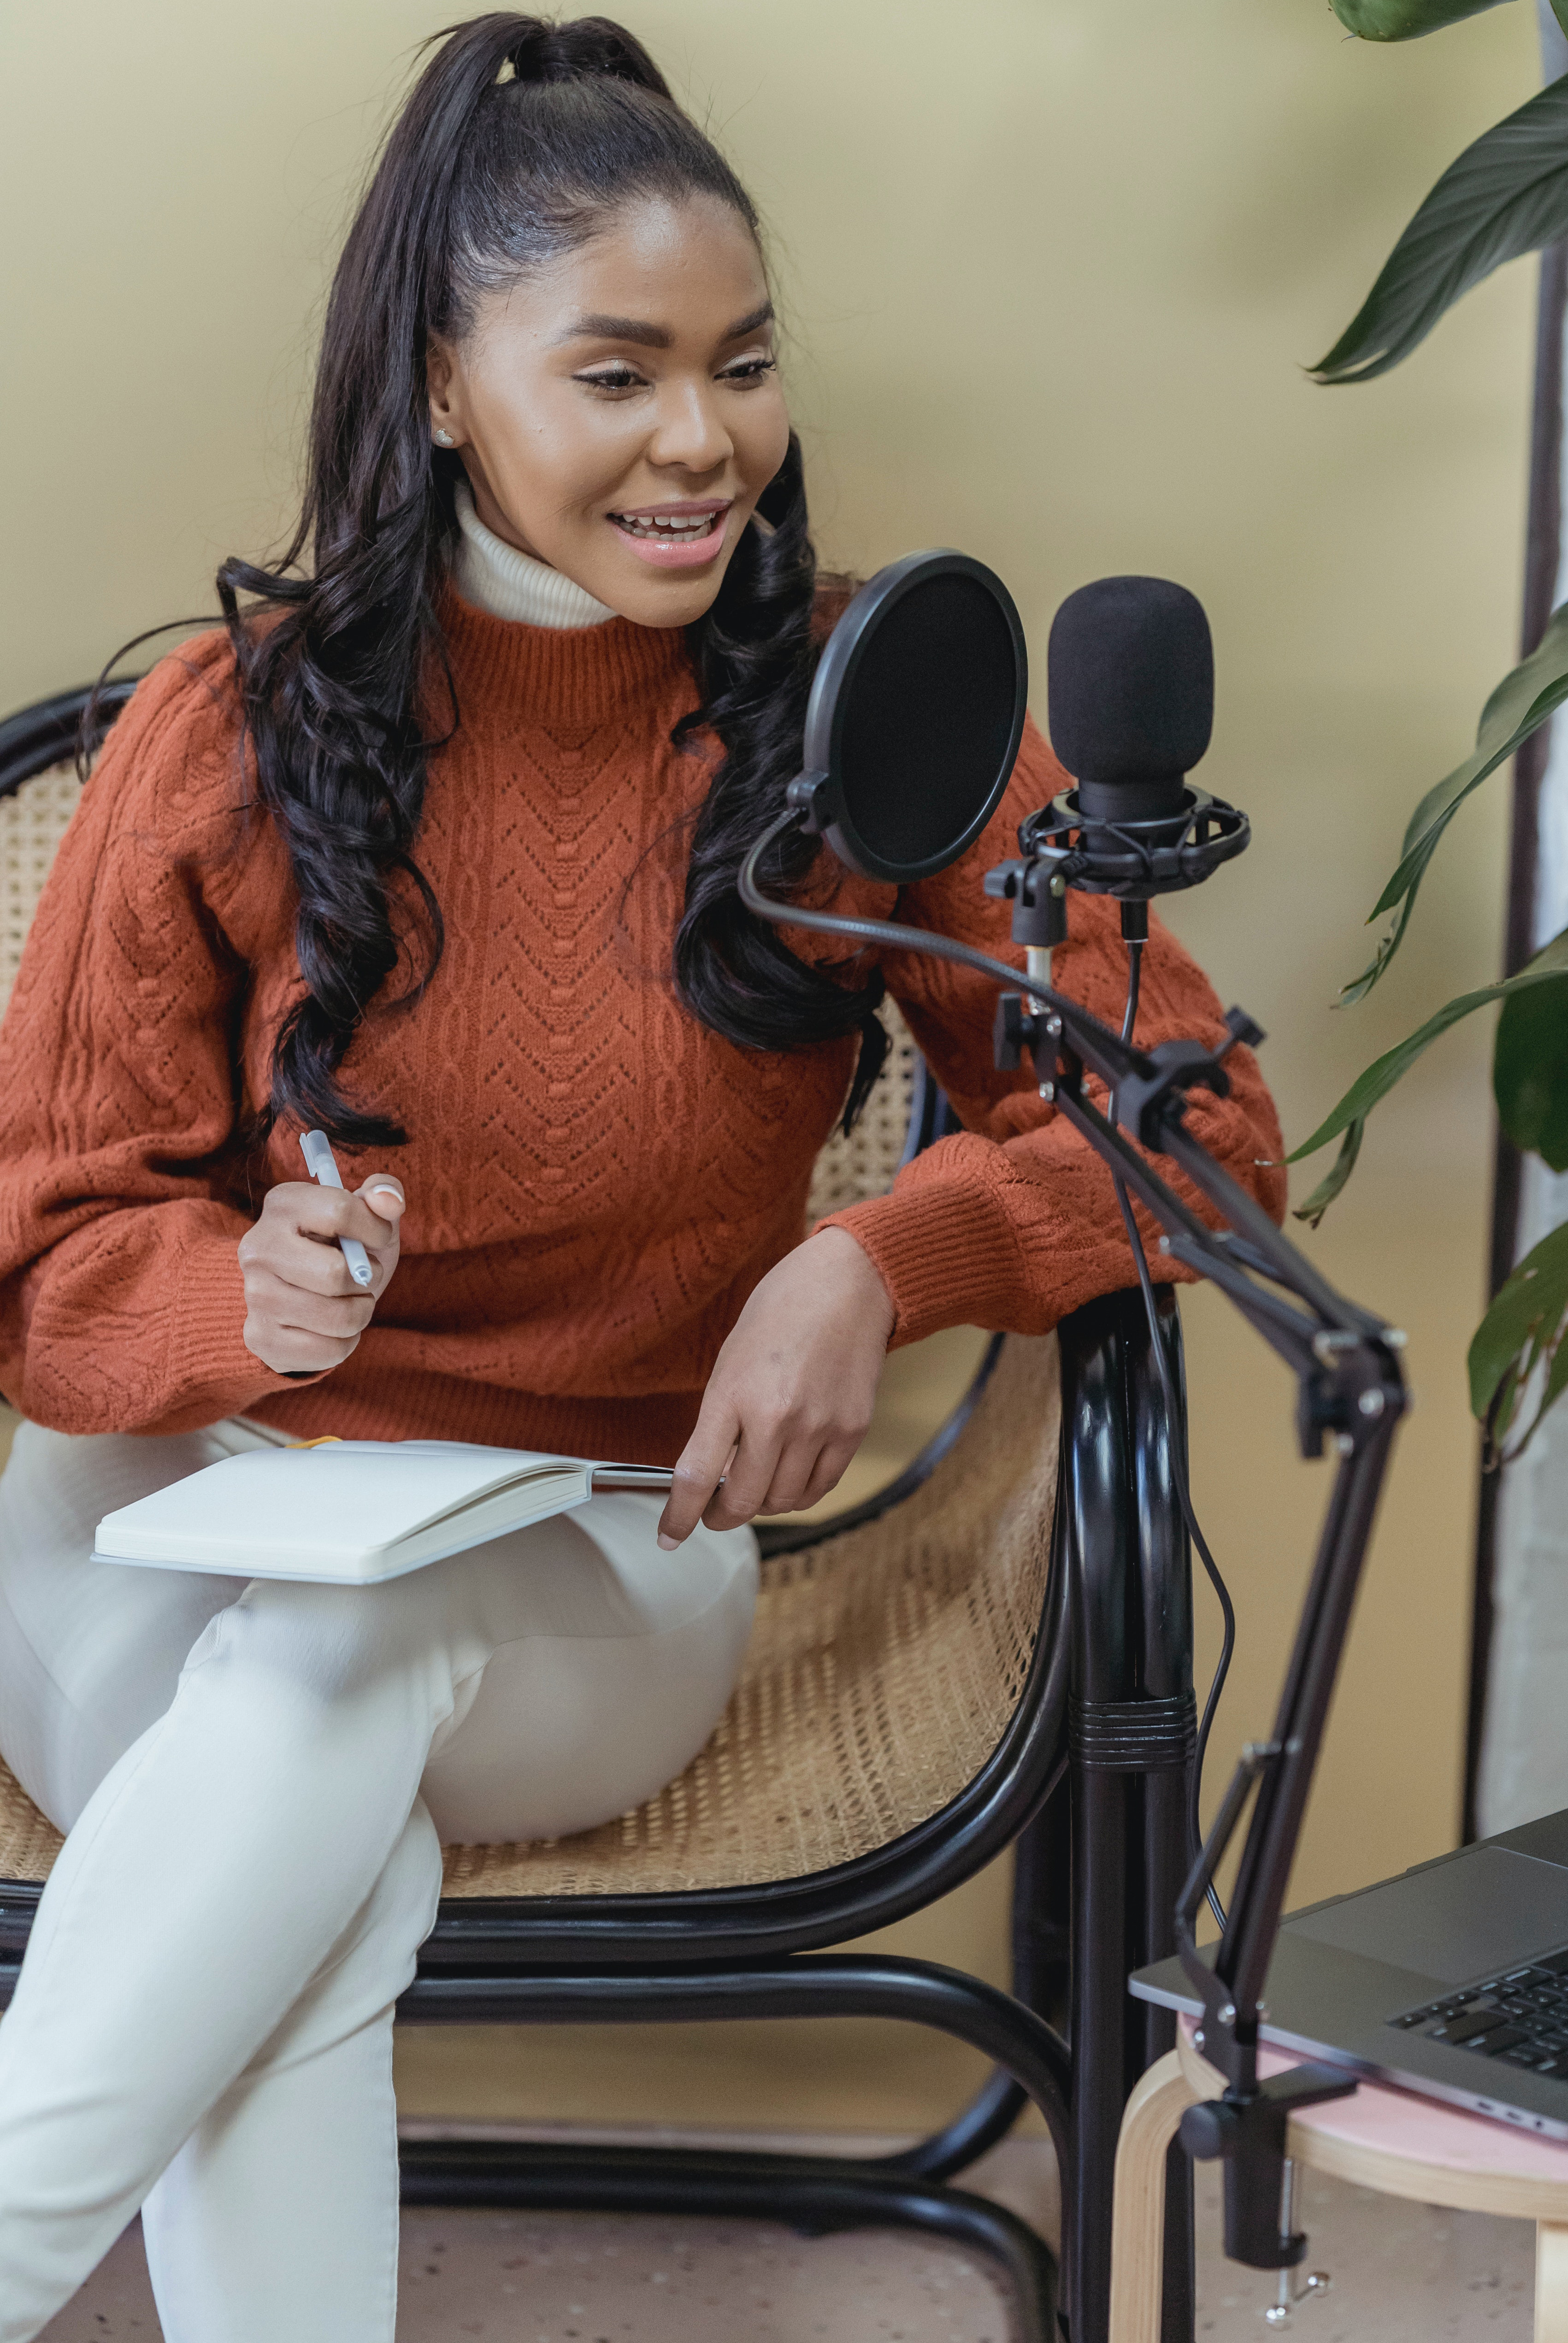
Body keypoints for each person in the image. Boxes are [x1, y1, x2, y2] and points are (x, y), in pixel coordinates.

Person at [0, 15, 1284, 2339]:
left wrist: (879, 1261)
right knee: (310, 1830)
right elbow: (50, 1260)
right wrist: (237, 1303)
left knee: (340, 1670)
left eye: (742, 364)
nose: (703, 440)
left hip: (592, 1569)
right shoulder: (226, 732)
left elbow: (1199, 1122)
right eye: (617, 372)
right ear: (440, 384)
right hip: (159, 1534)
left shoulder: (874, 718)